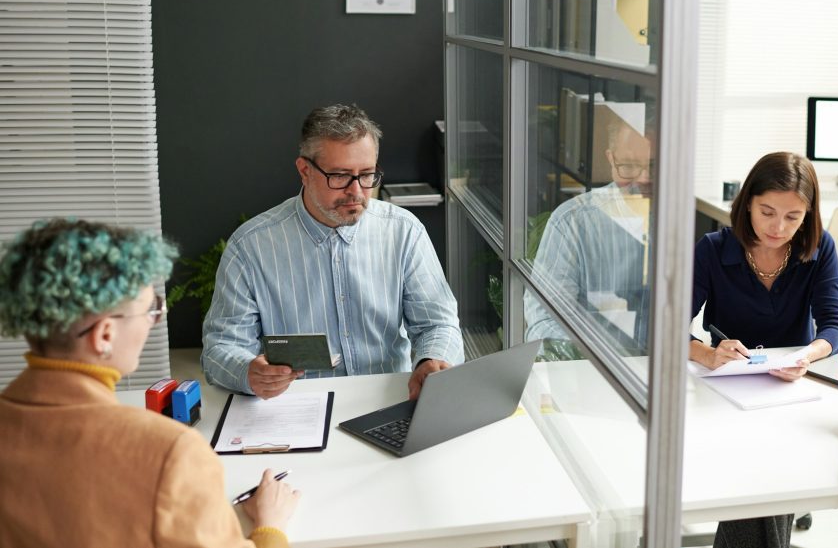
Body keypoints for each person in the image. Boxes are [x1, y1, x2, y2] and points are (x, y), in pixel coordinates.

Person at [0, 218, 300, 548]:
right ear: (105, 336)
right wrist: (271, 527)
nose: (153, 321)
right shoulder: (168, 452)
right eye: (151, 310)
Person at [202, 103, 463, 399]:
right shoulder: (250, 247)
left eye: (367, 175)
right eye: (339, 176)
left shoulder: (404, 231)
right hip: (296, 408)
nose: (356, 191)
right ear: (304, 170)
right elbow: (220, 348)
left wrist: (432, 360)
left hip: (388, 399)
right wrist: (247, 373)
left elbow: (438, 324)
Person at [690, 151, 838, 548]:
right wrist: (708, 354)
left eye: (793, 217)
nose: (778, 227)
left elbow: (834, 323)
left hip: (791, 387)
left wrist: (806, 355)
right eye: (767, 212)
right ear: (747, 204)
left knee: (766, 476)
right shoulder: (712, 249)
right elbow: (665, 327)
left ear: (808, 216)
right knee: (762, 475)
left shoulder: (819, 248)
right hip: (726, 385)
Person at [525, 115, 653, 357]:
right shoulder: (573, 222)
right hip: (593, 371)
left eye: (654, 165)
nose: (644, 178)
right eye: (629, 165)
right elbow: (544, 322)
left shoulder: (681, 225)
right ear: (611, 160)